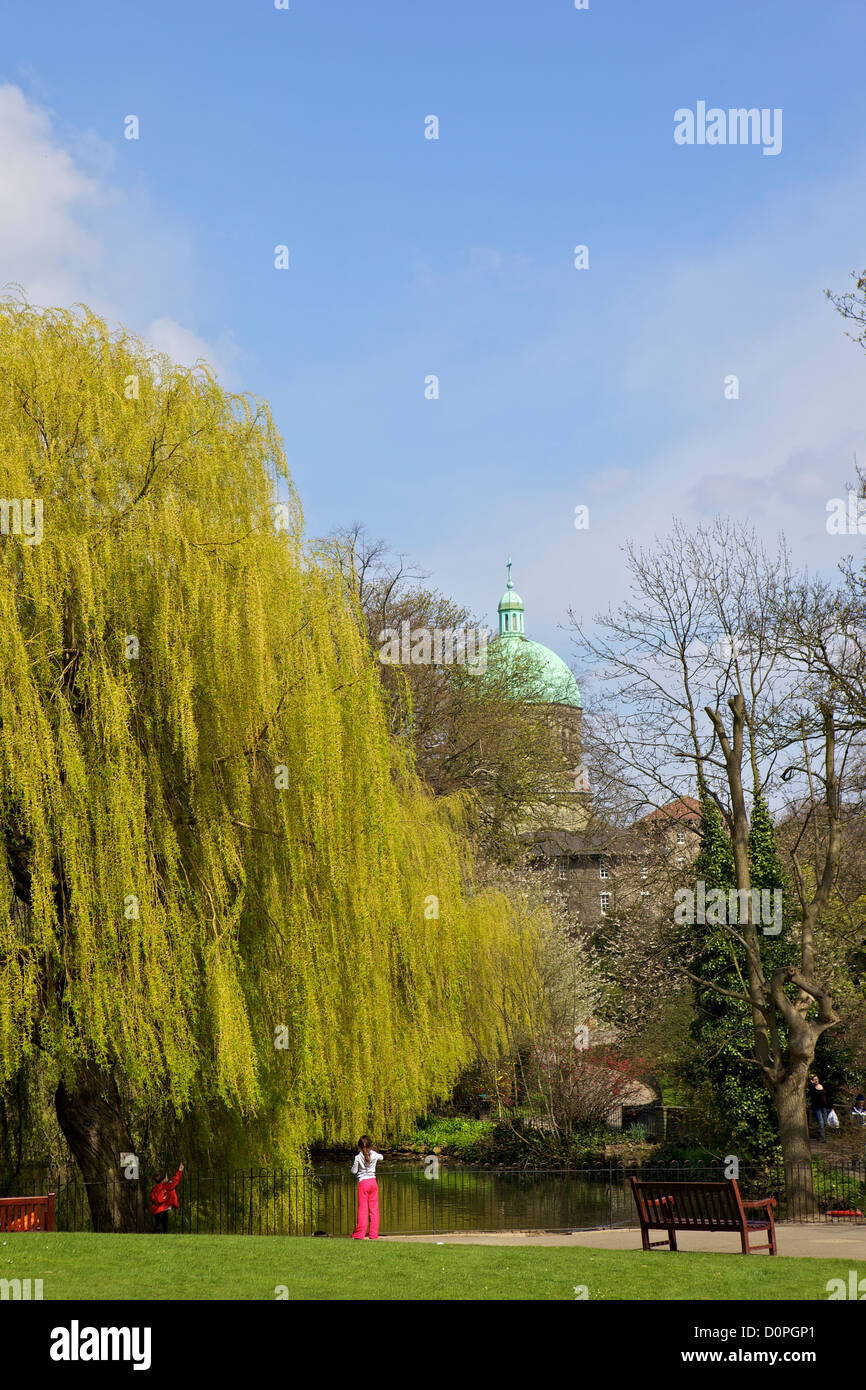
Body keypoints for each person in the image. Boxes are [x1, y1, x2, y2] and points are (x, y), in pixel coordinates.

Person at [351, 1136, 383, 1240]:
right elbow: (382, 1157)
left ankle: (359, 1234)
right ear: (371, 1145)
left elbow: (354, 1171)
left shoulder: (358, 1157)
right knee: (374, 1209)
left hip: (363, 1183)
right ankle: (373, 1234)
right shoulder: (374, 1154)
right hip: (373, 1182)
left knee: (362, 1209)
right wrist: (375, 1155)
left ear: (359, 1147)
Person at [150, 1163, 184, 1233]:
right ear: (163, 1180)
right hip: (163, 1210)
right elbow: (175, 1181)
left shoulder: (154, 1189)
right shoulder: (167, 1186)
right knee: (162, 1226)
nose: (167, 1178)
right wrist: (179, 1171)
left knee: (158, 1225)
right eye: (166, 1177)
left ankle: (158, 1235)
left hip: (156, 1211)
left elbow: (152, 1198)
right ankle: (158, 1236)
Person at [808, 1077, 830, 1141]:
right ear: (812, 1080)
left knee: (825, 1122)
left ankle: (819, 1132)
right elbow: (813, 1093)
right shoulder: (812, 1087)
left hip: (823, 1106)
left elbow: (826, 1095)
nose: (816, 1080)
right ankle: (823, 1137)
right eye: (814, 1079)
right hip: (817, 1107)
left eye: (817, 1079)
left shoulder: (821, 1086)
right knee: (821, 1122)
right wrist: (812, 1085)